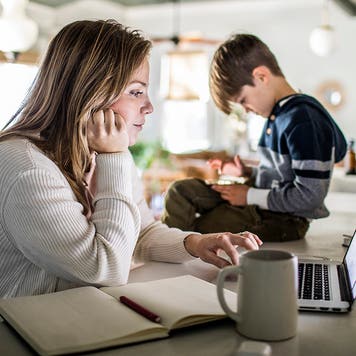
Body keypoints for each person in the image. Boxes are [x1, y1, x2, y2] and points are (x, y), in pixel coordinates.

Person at [0, 20, 262, 298]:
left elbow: (142, 232)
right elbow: (104, 268)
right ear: (90, 93)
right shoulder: (27, 168)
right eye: (136, 92)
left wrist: (195, 243)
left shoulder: (99, 152)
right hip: (25, 331)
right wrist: (115, 157)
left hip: (78, 315)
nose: (149, 107)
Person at [161, 34, 347, 242]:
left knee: (202, 228)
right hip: (259, 198)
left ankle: (179, 256)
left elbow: (310, 197)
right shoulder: (277, 115)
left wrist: (248, 195)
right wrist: (247, 171)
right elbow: (281, 174)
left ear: (261, 76)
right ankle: (172, 246)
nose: (247, 110)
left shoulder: (305, 120)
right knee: (180, 192)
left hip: (284, 218)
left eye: (243, 101)